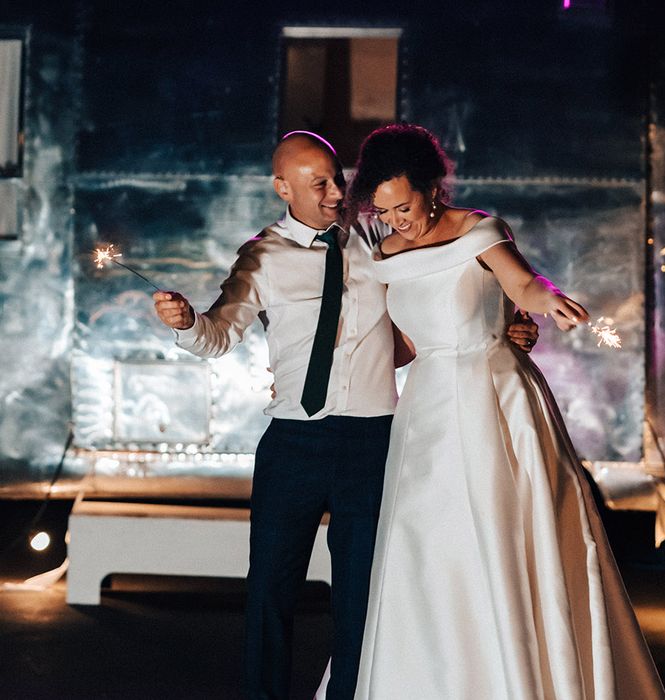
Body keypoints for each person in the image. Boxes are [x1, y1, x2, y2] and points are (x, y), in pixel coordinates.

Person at [152, 130, 540, 700]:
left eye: (339, 178)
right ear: (282, 188)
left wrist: (501, 326)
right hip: (294, 443)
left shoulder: (377, 242)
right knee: (270, 593)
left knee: (361, 597)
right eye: (320, 184)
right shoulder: (262, 257)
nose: (337, 192)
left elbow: (441, 294)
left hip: (374, 441)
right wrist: (185, 322)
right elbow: (218, 334)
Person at [342, 124, 665, 699]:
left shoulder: (478, 230)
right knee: (427, 540)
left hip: (493, 393)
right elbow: (404, 346)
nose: (397, 220)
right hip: (426, 410)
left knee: (505, 531)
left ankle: (522, 673)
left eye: (405, 205)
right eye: (384, 210)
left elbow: (524, 281)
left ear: (432, 187)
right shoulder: (382, 252)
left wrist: (549, 300)